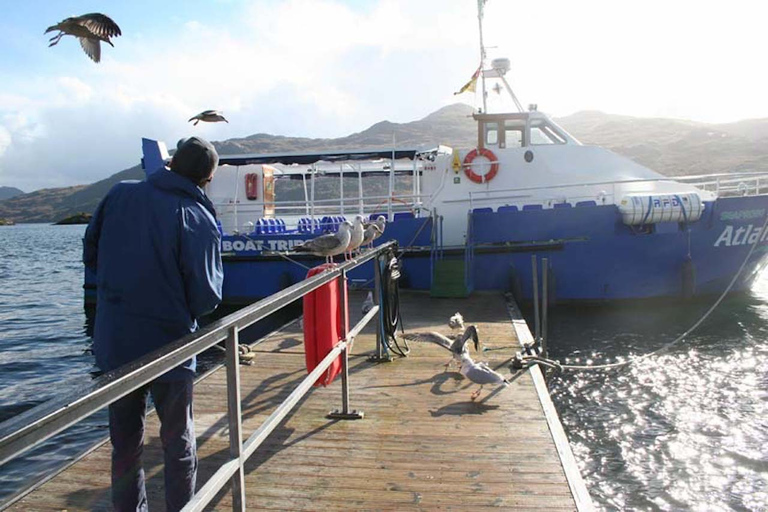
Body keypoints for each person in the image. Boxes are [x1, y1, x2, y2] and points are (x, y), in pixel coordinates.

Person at [83, 136, 224, 512]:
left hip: (116, 344)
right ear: (207, 178)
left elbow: (91, 253)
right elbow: (207, 297)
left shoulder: (118, 194)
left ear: (171, 163)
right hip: (171, 348)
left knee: (125, 445)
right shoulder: (198, 217)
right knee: (177, 443)